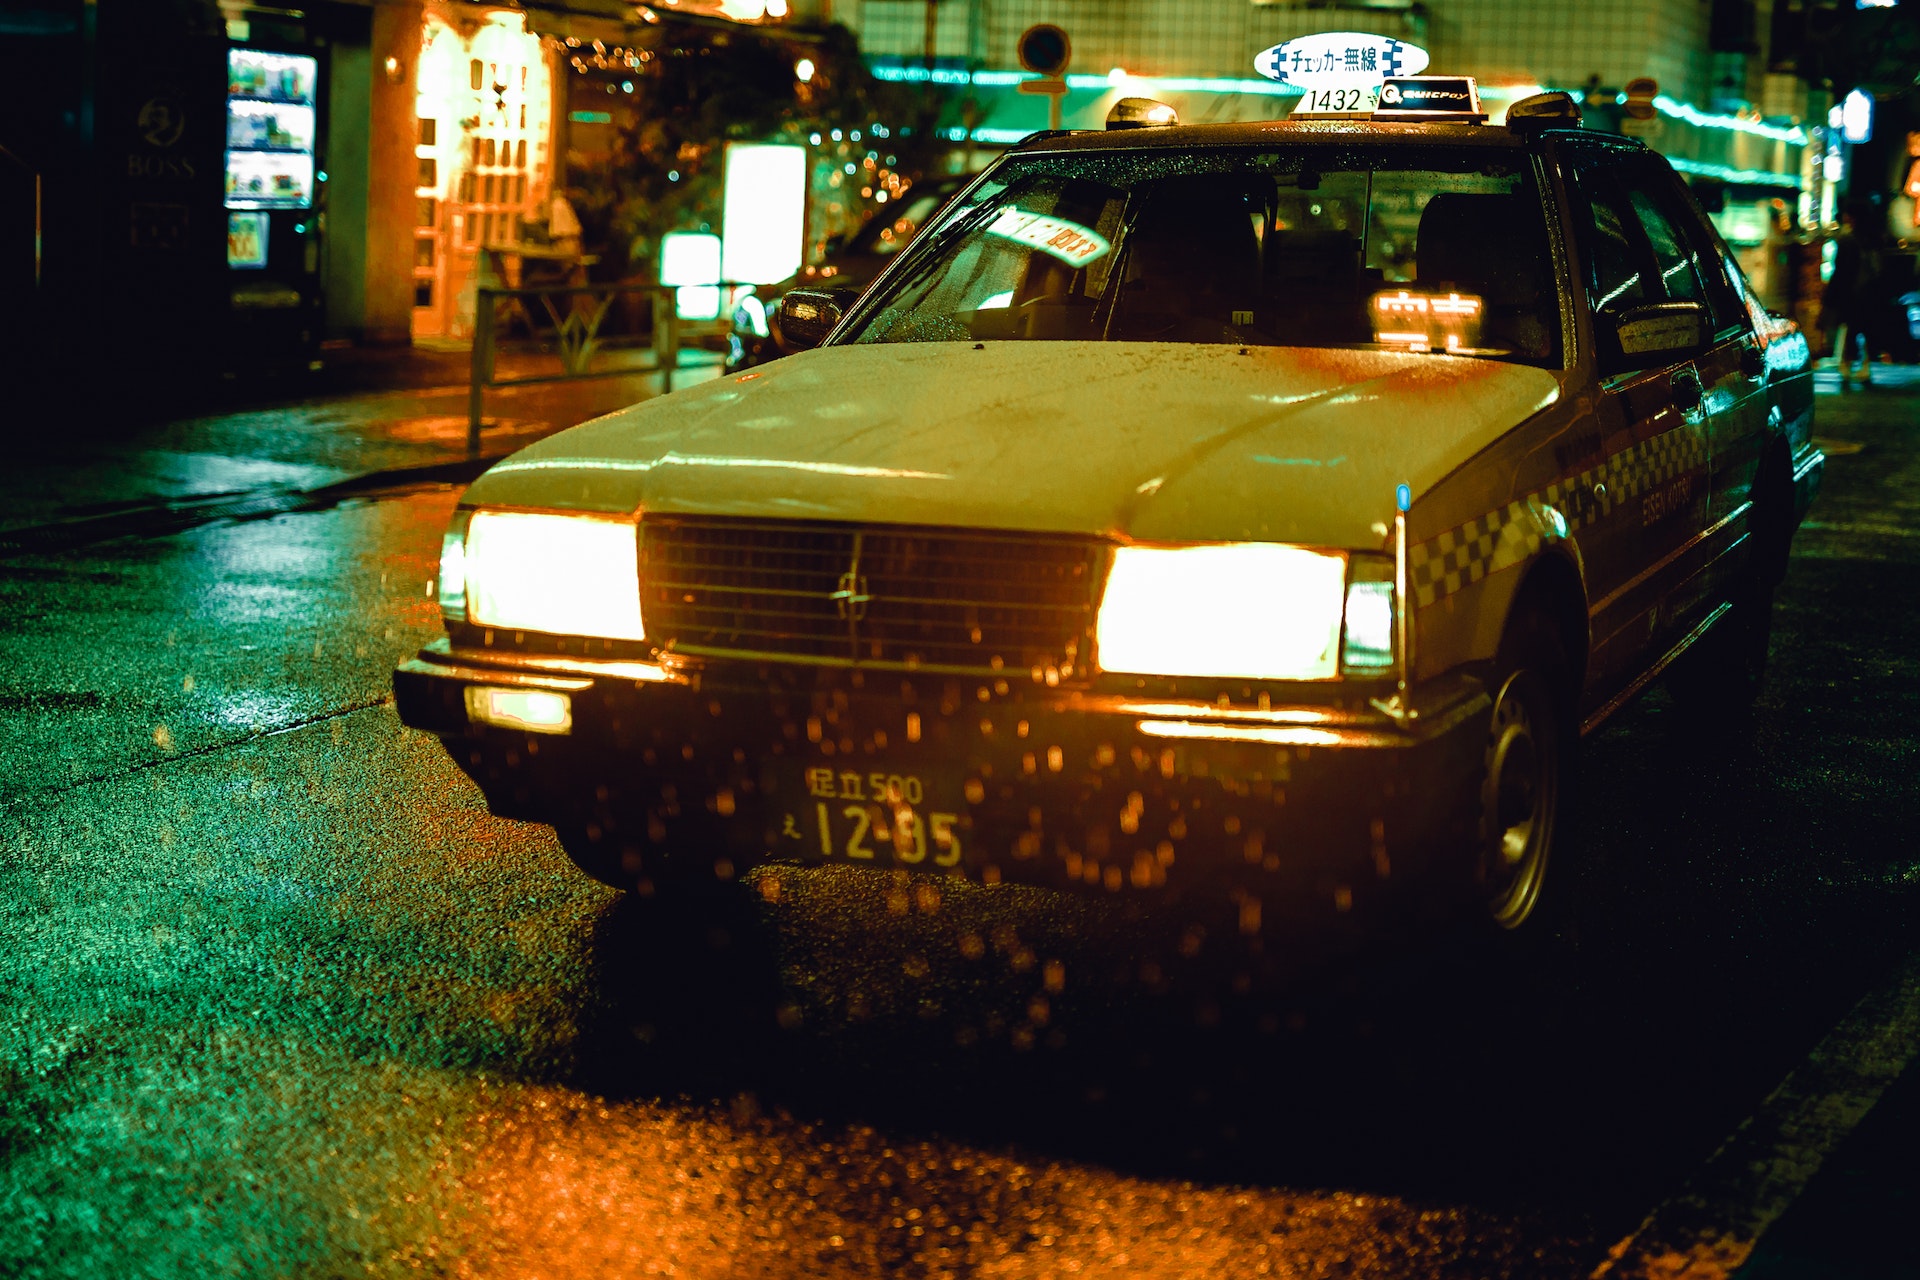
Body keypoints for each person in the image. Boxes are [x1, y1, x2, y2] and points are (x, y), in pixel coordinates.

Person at [1824, 207, 1882, 387]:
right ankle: (1865, 366)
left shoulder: (1846, 240)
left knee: (1850, 330)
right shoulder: (1871, 239)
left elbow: (1840, 269)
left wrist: (1831, 294)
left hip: (1851, 293)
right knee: (1866, 330)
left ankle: (1847, 365)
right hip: (1869, 293)